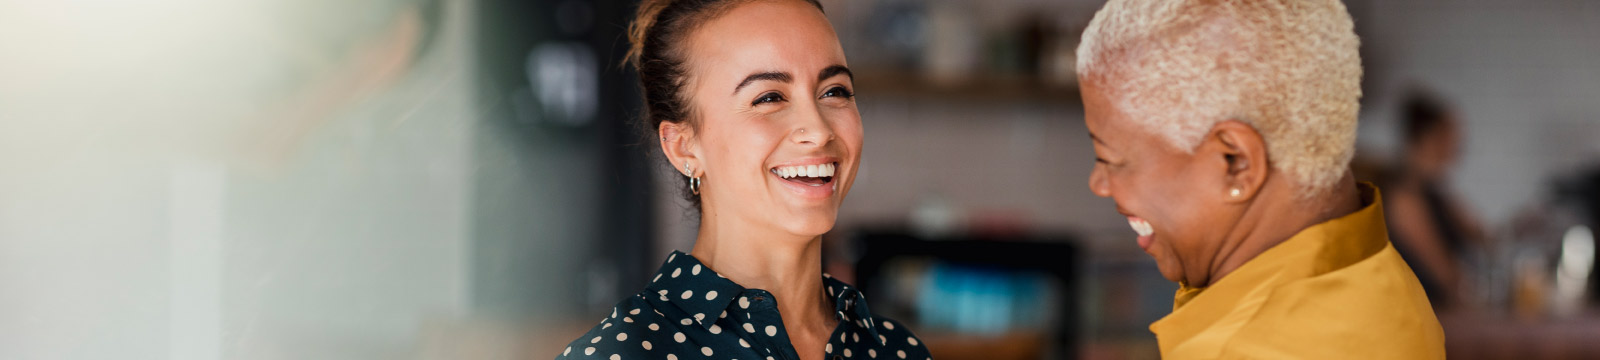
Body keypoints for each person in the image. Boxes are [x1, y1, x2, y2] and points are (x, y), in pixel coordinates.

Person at [557, 1, 931, 359]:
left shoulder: (897, 351)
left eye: (834, 91)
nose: (818, 130)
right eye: (769, 97)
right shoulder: (620, 354)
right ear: (684, 148)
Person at [1074, 0, 1446, 358]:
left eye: (1110, 159)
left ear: (1236, 162)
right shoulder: (1383, 276)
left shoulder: (1234, 351)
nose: (1098, 184)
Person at [1385, 90, 1483, 310]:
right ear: (1427, 138)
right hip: (1419, 317)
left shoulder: (1437, 193)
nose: (1457, 146)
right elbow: (1445, 274)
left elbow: (1482, 238)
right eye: (1449, 136)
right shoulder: (1405, 199)